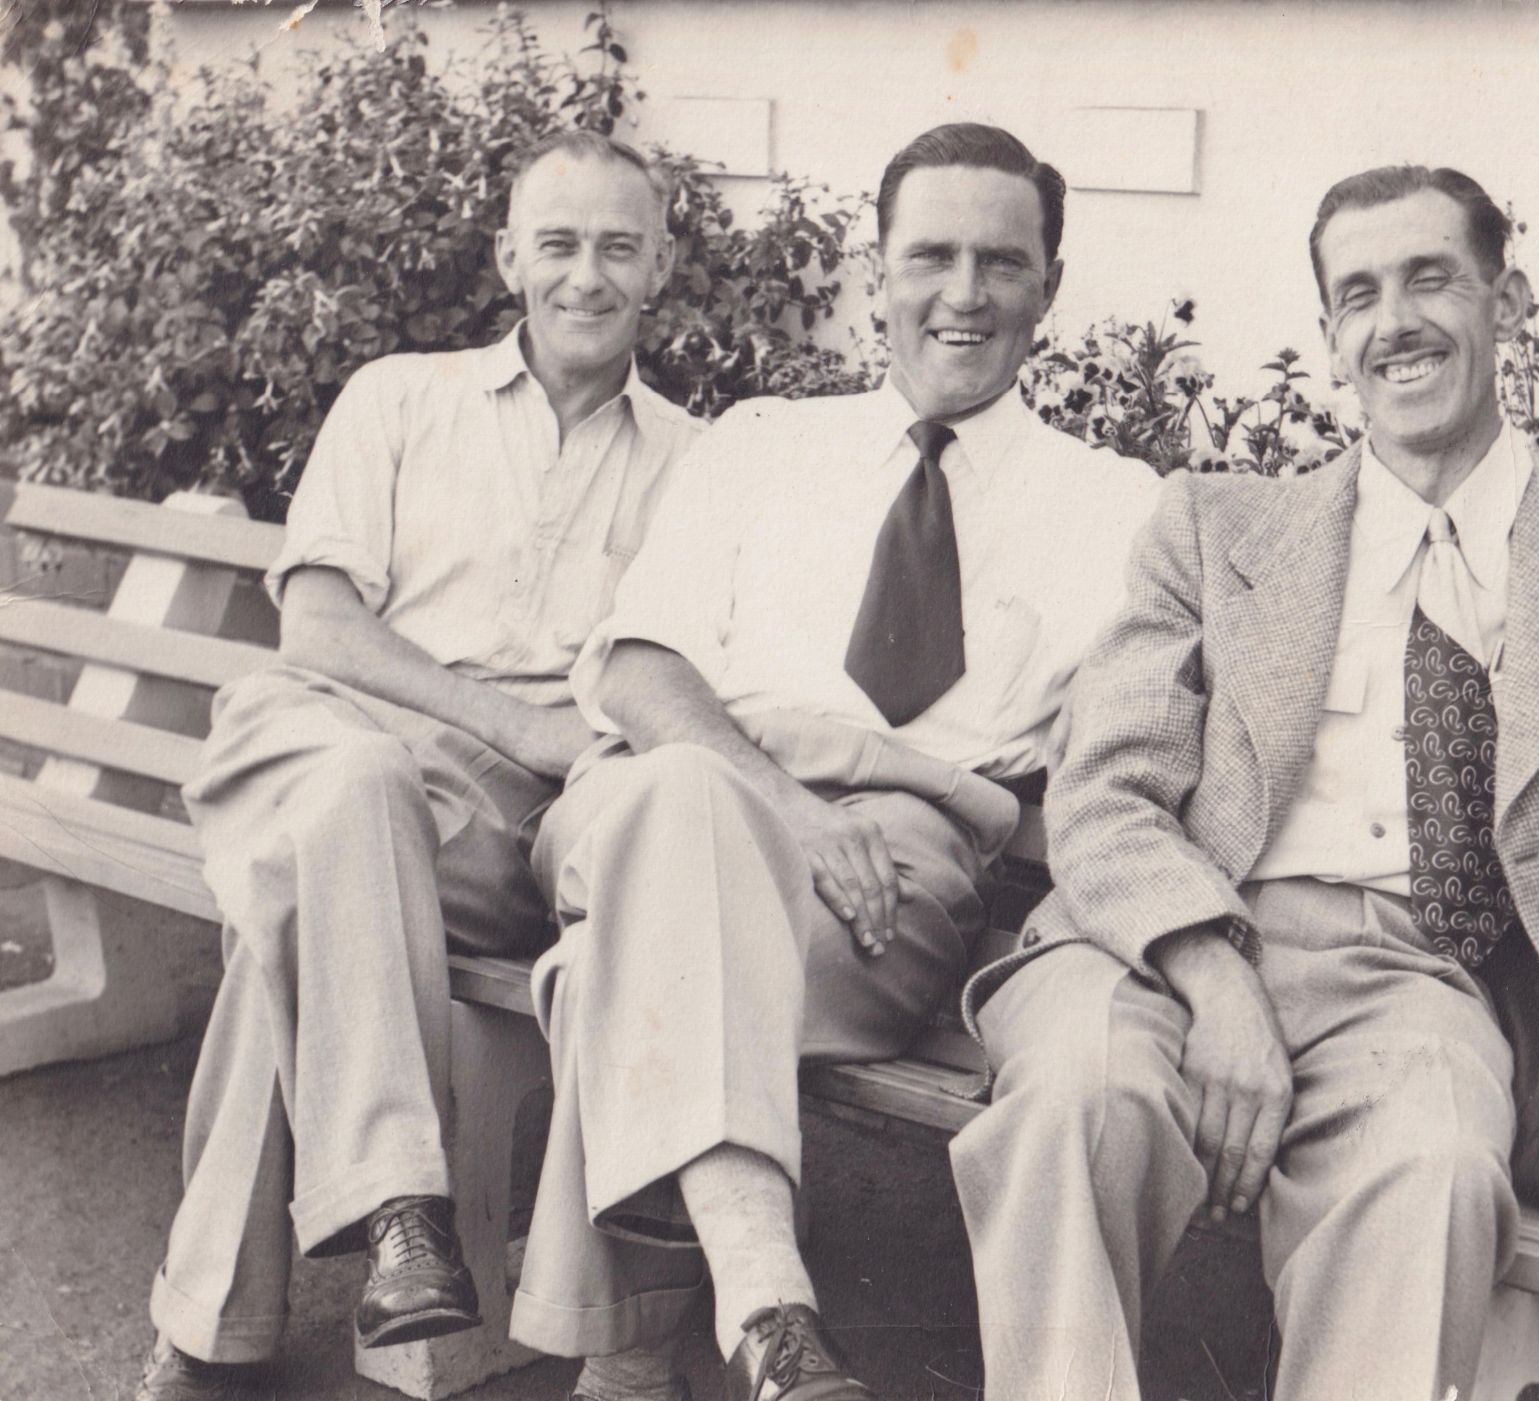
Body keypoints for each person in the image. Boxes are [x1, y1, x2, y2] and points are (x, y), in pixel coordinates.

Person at [949, 163, 1539, 1401]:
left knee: (1440, 1166)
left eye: (1429, 280)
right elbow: (1105, 791)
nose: (1394, 321)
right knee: (1075, 1104)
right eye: (1358, 295)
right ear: (1330, 339)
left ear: (1508, 301)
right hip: (1150, 950)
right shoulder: (1218, 527)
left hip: (1411, 984)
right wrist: (1213, 974)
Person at [505, 123, 1162, 1401]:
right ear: (876, 273)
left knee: (611, 967)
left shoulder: (1117, 506)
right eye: (929, 256)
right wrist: (796, 812)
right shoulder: (760, 445)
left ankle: (659, 1351)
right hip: (685, 794)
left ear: (1051, 285)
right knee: (680, 807)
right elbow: (638, 670)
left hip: (894, 875)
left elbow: (1107, 761)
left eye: (1000, 262)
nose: (961, 294)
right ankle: (758, 1310)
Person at [137, 131, 704, 1401]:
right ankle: (398, 1211)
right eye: (557, 243)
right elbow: (322, 628)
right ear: (508, 255)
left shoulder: (698, 464)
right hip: (324, 730)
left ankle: (233, 1312)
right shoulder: (398, 396)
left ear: (661, 266)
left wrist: (543, 752)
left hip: (492, 830)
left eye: (620, 246)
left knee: (305, 895)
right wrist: (514, 723)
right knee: (354, 793)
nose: (586, 276)